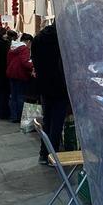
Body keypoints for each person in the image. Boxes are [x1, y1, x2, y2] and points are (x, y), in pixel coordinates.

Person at [31, 22, 70, 164]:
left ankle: (44, 153)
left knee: (47, 120)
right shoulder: (62, 41)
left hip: (44, 85)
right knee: (57, 123)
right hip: (60, 86)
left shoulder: (38, 38)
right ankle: (53, 155)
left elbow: (34, 61)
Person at [7, 32, 34, 124]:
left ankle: (13, 116)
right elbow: (25, 62)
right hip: (20, 74)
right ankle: (19, 116)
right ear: (28, 41)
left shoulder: (13, 47)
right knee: (20, 96)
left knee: (13, 96)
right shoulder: (24, 49)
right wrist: (33, 65)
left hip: (11, 73)